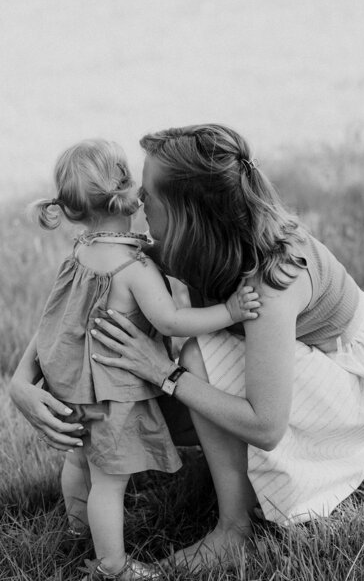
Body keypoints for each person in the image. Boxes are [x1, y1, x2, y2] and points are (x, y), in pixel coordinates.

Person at [11, 125, 364, 573]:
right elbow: (82, 304)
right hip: (280, 358)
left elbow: (266, 424)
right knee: (148, 402)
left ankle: (235, 531)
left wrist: (164, 372)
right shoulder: (182, 243)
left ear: (186, 214)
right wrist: (23, 382)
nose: (136, 200)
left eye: (149, 195)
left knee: (194, 357)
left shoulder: (273, 280)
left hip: (351, 378)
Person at [14, 138, 260, 581]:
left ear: (73, 211)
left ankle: (75, 531)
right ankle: (113, 565)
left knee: (79, 460)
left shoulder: (81, 251)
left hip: (72, 384)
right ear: (124, 189)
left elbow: (57, 315)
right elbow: (170, 322)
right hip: (115, 394)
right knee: (110, 482)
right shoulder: (133, 268)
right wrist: (230, 312)